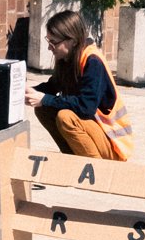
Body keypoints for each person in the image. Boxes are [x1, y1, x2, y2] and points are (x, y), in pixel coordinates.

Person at [25, 10, 133, 161]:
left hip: (112, 140)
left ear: (73, 41)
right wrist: (24, 91)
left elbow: (86, 107)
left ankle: (97, 169)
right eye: (48, 41)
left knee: (66, 117)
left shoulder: (92, 61)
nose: (50, 47)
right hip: (95, 131)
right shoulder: (68, 58)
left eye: (54, 42)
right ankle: (73, 159)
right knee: (43, 109)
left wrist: (45, 99)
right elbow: (52, 86)